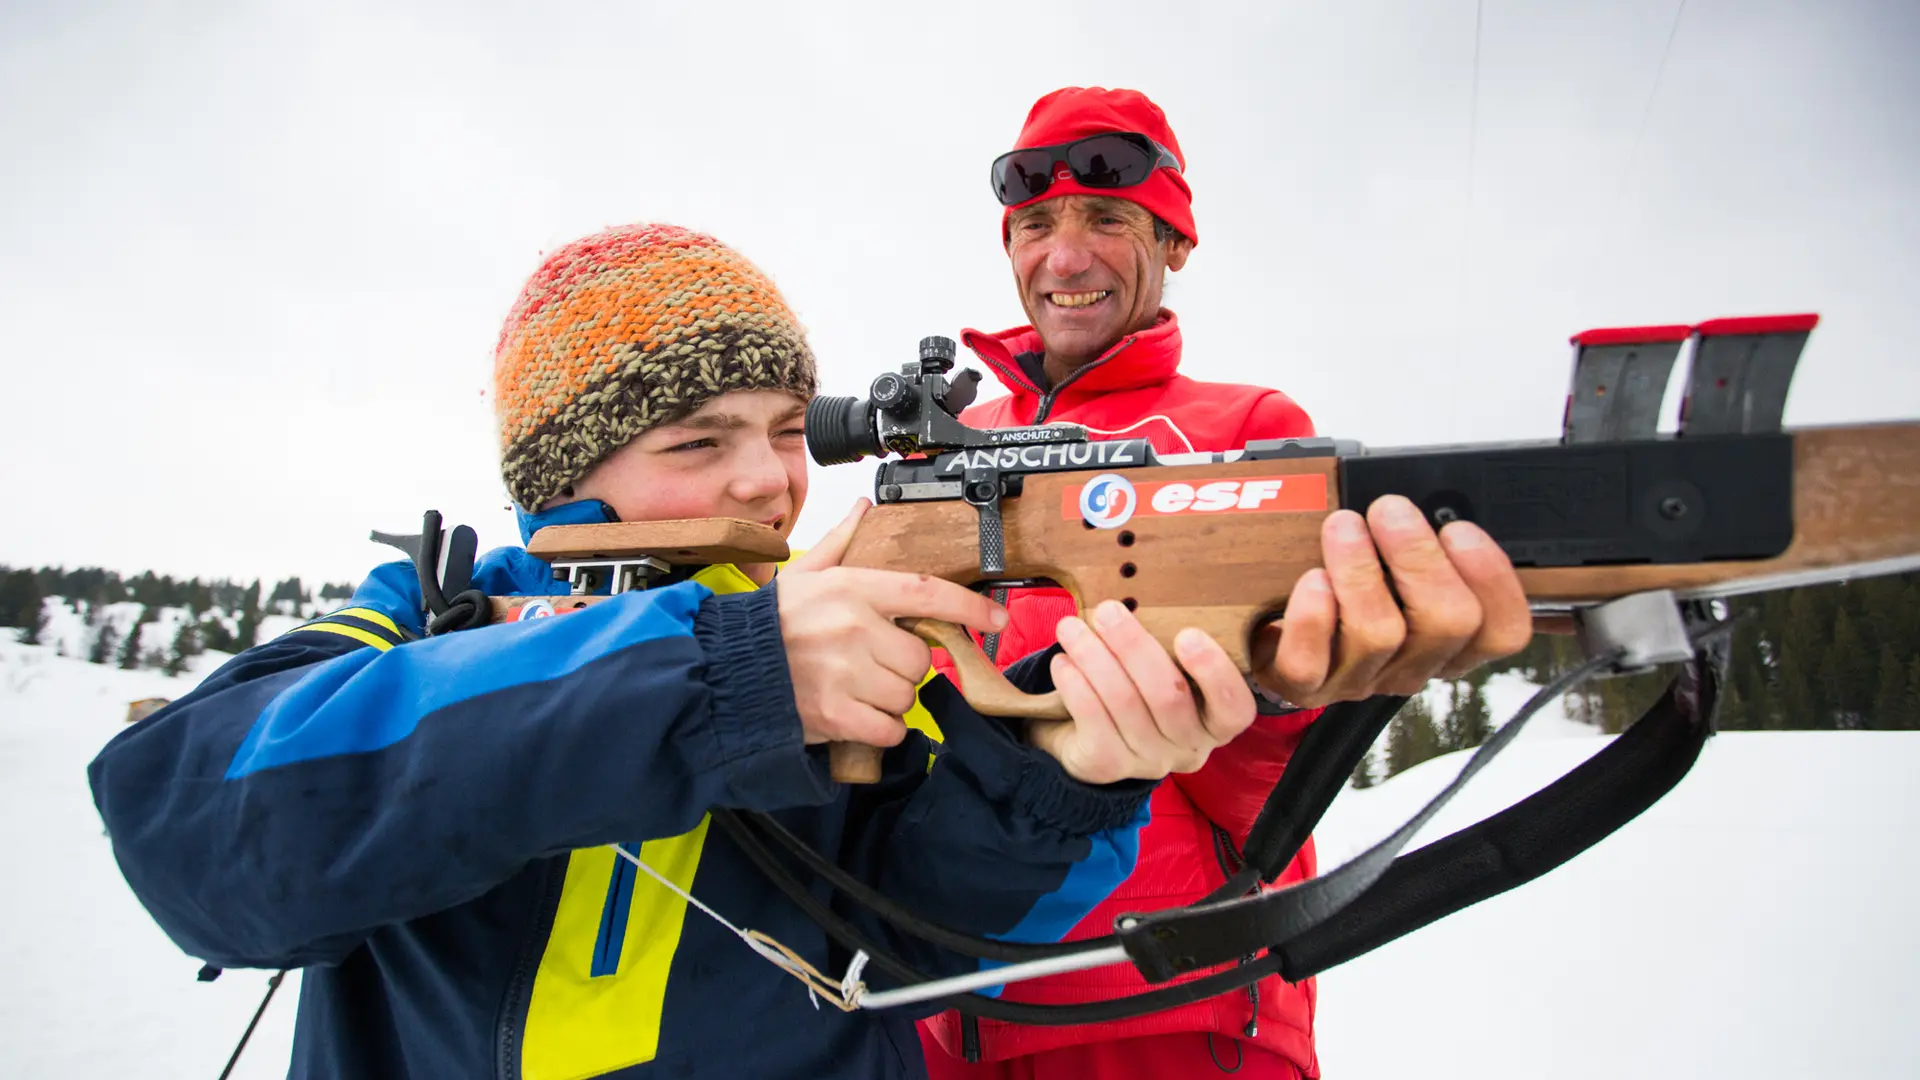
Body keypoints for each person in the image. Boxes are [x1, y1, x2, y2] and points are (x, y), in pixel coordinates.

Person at [86, 223, 1272, 1080]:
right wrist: (725, 671)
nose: (767, 480)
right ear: (562, 476)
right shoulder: (429, 612)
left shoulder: (846, 629)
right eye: (699, 440)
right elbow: (188, 832)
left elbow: (929, 946)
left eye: (786, 432)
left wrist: (1068, 774)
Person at [918, 88, 1533, 1079]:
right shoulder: (941, 448)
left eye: (1106, 220)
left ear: (1174, 245)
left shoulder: (1245, 430)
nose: (1063, 257)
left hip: (1172, 1004)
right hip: (938, 1011)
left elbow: (1274, 781)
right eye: (1035, 225)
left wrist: (1285, 687)